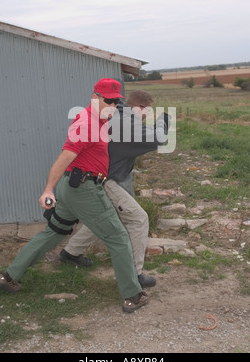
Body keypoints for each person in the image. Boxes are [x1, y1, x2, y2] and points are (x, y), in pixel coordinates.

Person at [0, 78, 148, 313]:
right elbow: (64, 158)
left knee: (53, 233)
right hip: (85, 189)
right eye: (108, 100)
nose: (112, 105)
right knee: (118, 238)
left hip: (74, 187)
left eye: (116, 102)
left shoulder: (99, 118)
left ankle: (9, 276)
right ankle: (133, 295)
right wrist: (47, 190)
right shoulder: (86, 123)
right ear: (95, 97)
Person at [59, 90, 170, 288]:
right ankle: (134, 274)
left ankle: (70, 253)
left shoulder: (115, 115)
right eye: (147, 112)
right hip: (106, 180)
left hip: (96, 176)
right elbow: (157, 139)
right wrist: (164, 119)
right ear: (140, 108)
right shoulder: (126, 123)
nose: (146, 116)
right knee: (138, 218)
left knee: (106, 217)